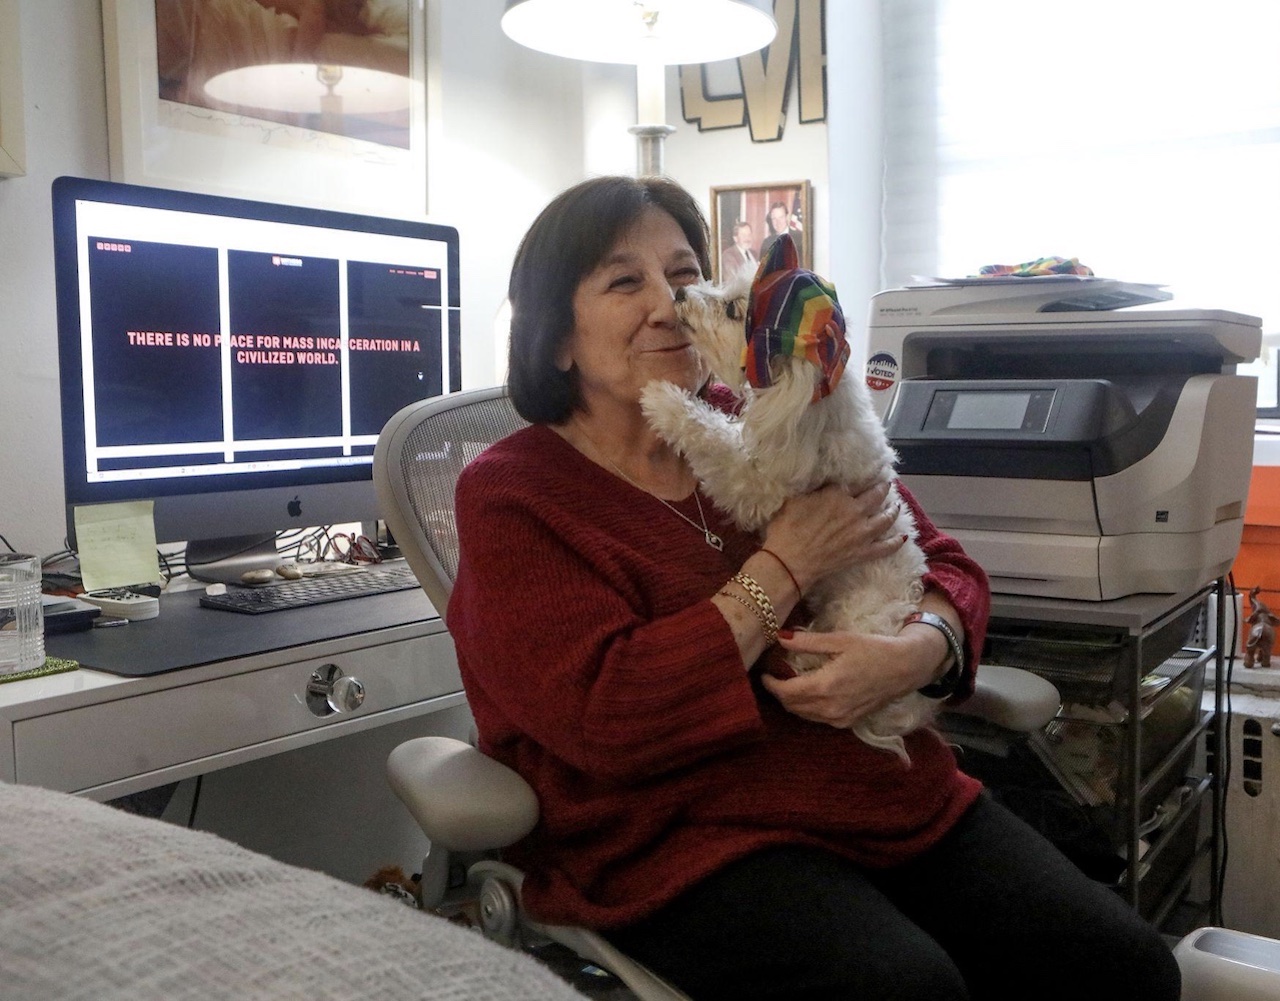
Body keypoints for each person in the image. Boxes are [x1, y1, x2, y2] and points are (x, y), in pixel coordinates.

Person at [445, 175, 1181, 1001]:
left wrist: (918, 650)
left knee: (1123, 965)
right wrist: (783, 567)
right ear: (555, 338)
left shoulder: (767, 413)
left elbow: (944, 563)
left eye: (685, 275)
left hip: (878, 791)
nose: (669, 304)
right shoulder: (514, 495)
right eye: (625, 281)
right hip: (679, 833)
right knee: (903, 987)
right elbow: (608, 714)